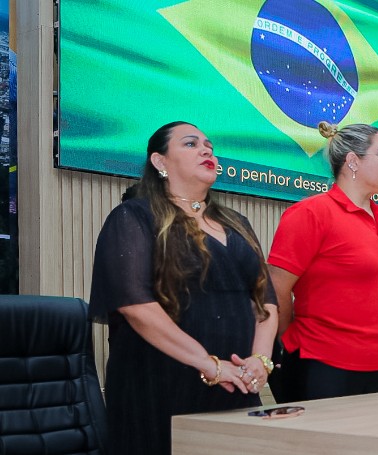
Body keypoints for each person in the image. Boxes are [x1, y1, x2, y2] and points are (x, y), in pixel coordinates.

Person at [89, 122, 278, 455]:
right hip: (159, 386)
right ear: (160, 162)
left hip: (235, 384)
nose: (207, 150)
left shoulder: (237, 222)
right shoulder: (133, 217)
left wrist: (260, 361)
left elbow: (266, 301)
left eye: (209, 145)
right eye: (191, 144)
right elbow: (136, 305)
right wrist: (209, 364)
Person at [268, 121, 378, 401]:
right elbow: (275, 289)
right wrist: (288, 340)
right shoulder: (311, 214)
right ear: (353, 161)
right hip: (322, 365)